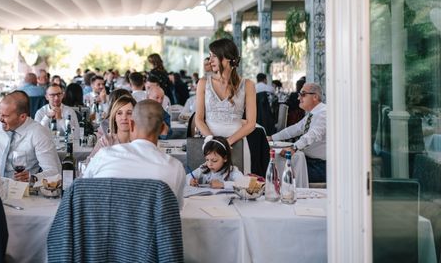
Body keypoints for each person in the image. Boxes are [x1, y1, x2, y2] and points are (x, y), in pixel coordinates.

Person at [83, 99, 186, 209]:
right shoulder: (175, 168)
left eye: (129, 113)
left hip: (108, 224)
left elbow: (83, 191)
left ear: (131, 124)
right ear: (162, 129)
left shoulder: (104, 156)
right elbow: (175, 209)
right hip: (148, 225)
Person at [195, 38, 256, 174]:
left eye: (214, 56)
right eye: (209, 56)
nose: (210, 60)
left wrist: (227, 143)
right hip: (208, 145)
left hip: (236, 144)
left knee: (237, 187)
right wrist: (211, 140)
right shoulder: (203, 83)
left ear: (227, 58)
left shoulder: (248, 85)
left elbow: (251, 124)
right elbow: (198, 119)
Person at [0, 91, 60, 182]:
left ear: (22, 117)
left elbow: (54, 172)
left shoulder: (39, 133)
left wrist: (32, 177)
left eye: (5, 115)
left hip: (24, 190)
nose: (0, 118)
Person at [269, 82, 326, 183]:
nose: (299, 98)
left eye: (303, 94)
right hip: (309, 161)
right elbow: (294, 129)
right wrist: (272, 138)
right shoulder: (312, 114)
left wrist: (294, 148)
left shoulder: (324, 113)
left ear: (315, 97)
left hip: (321, 166)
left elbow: (312, 134)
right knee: (276, 165)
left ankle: (292, 196)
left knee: (281, 172)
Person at [86, 94, 136, 163]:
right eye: (119, 113)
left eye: (129, 113)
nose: (124, 117)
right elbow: (89, 164)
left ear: (136, 117)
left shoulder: (141, 142)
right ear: (114, 117)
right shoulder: (106, 141)